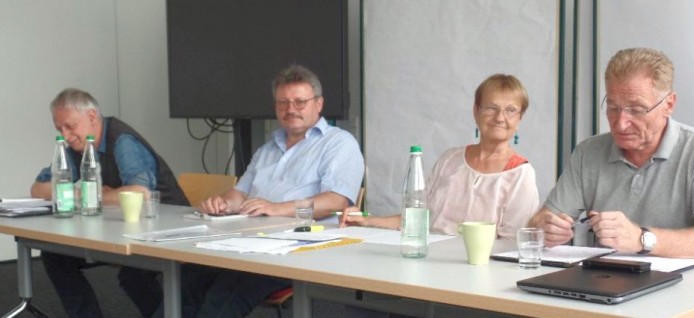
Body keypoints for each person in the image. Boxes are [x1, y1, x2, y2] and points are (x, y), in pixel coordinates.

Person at [181, 64, 364, 318]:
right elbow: (240, 194)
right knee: (188, 279)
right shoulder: (267, 149)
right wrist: (221, 204)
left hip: (300, 247)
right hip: (249, 241)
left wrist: (278, 209)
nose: (291, 110)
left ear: (319, 104)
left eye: (300, 102)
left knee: (227, 287)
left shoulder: (339, 143)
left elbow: (335, 202)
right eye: (283, 103)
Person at [528, 48, 694, 261]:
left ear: (669, 105)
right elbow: (541, 222)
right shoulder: (588, 152)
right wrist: (544, 228)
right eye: (612, 107)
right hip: (607, 284)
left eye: (636, 110)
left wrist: (641, 239)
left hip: (687, 287)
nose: (620, 123)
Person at [30, 88, 190, 318]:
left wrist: (88, 194)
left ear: (92, 117)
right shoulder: (76, 147)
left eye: (70, 126)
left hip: (166, 227)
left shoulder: (122, 142)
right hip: (119, 227)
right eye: (59, 129)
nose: (65, 135)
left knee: (133, 274)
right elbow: (38, 189)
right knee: (55, 256)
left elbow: (139, 194)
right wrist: (85, 194)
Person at [340, 73, 540, 240]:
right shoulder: (450, 159)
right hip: (429, 260)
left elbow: (512, 244)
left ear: (520, 119)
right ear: (476, 111)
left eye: (511, 110)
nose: (500, 118)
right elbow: (418, 218)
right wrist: (366, 220)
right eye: (491, 108)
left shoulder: (521, 173)